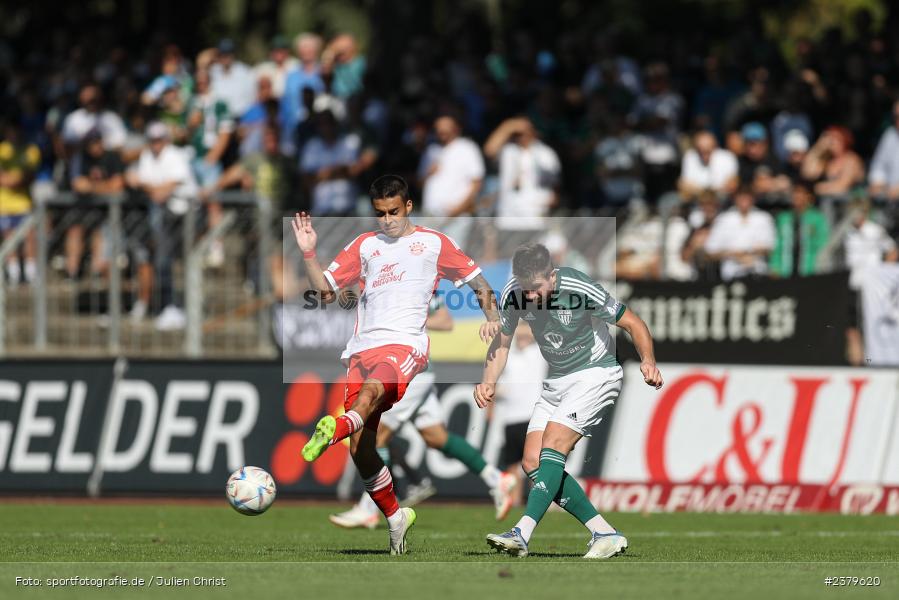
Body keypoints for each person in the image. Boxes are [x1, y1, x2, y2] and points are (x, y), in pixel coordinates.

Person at [292, 174, 502, 555]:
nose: (387, 220)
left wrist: (493, 317)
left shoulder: (433, 244)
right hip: (361, 350)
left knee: (371, 395)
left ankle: (334, 427)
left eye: (393, 211)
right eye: (379, 214)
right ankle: (394, 517)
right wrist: (309, 252)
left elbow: (479, 283)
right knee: (363, 450)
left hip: (406, 346)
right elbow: (325, 293)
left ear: (408, 206)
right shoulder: (364, 246)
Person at [477, 243, 663, 559]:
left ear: (551, 275)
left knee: (553, 446)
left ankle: (521, 533)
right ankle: (603, 532)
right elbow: (503, 341)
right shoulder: (515, 293)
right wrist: (488, 380)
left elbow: (633, 322)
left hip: (595, 374)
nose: (530, 296)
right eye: (526, 289)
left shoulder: (579, 286)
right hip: (557, 382)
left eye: (536, 288)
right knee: (533, 462)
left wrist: (648, 360)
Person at [328, 295, 517, 529]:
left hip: (409, 372)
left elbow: (446, 322)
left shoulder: (419, 284)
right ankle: (496, 478)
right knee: (436, 437)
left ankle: (368, 509)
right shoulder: (386, 280)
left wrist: (411, 320)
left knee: (377, 437)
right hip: (411, 371)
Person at [127, 122, 197, 330]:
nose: (156, 144)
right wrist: (147, 185)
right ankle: (171, 306)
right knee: (162, 260)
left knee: (178, 261)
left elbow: (158, 192)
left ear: (166, 139)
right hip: (166, 217)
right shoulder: (147, 157)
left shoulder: (175, 156)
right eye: (152, 140)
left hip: (187, 215)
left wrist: (143, 183)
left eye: (159, 139)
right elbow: (151, 188)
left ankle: (180, 306)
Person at [494, 320, 547, 504]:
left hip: (532, 416)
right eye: (521, 330)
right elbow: (497, 382)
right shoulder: (508, 355)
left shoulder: (539, 352)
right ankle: (515, 503)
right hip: (510, 417)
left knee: (535, 462)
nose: (524, 335)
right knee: (512, 464)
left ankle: (537, 503)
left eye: (528, 331)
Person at [483, 117, 560, 234]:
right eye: (517, 134)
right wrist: (508, 126)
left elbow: (553, 183)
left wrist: (550, 200)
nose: (520, 136)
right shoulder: (508, 150)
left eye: (524, 132)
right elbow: (489, 150)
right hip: (509, 213)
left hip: (534, 213)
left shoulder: (545, 153)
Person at [704, 186, 776, 280]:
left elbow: (771, 247)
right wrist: (733, 255)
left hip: (758, 271)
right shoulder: (723, 219)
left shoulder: (764, 218)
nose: (744, 201)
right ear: (735, 199)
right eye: (741, 198)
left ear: (752, 199)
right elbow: (710, 251)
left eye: (747, 198)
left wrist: (749, 253)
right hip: (730, 273)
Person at [420, 113, 485, 218]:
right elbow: (420, 183)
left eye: (446, 127)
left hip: (456, 215)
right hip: (430, 214)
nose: (442, 130)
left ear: (457, 128)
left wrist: (460, 208)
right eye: (438, 127)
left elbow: (477, 182)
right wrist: (428, 173)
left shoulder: (467, 148)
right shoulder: (431, 150)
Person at [0, 119, 40, 285]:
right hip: (4, 204)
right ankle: (13, 273)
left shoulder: (31, 151)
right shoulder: (2, 150)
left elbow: (25, 177)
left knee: (29, 237)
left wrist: (11, 179)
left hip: (24, 203)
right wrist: (12, 179)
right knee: (9, 238)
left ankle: (31, 273)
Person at [769, 182, 830, 277]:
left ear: (808, 197)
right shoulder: (784, 218)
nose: (797, 197)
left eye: (800, 194)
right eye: (795, 194)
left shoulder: (817, 218)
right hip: (786, 270)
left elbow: (823, 243)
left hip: (810, 269)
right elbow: (777, 244)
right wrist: (775, 266)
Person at [61, 83, 127, 153]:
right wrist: (87, 146)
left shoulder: (111, 117)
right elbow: (66, 145)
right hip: (81, 161)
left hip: (107, 161)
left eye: (93, 99)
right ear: (80, 98)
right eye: (87, 99)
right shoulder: (73, 118)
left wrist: (102, 145)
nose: (91, 102)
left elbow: (121, 142)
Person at [801, 126, 865, 198]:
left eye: (835, 139)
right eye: (830, 139)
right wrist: (818, 148)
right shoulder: (827, 159)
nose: (831, 142)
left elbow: (843, 186)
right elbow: (808, 174)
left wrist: (819, 188)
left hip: (849, 202)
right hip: (827, 201)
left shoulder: (852, 159)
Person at [677, 130, 738, 201]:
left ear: (715, 146)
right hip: (696, 201)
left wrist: (703, 192)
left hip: (721, 200)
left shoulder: (728, 157)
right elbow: (683, 185)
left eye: (707, 151)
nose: (704, 155)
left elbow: (732, 184)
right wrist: (707, 193)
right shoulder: (689, 156)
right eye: (700, 151)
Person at [210, 39, 257, 118]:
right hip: (220, 118)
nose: (225, 57)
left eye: (228, 54)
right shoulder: (213, 72)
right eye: (222, 54)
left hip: (241, 117)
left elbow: (252, 97)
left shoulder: (245, 72)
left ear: (233, 54)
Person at [867, 100, 899, 200]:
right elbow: (878, 165)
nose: (897, 120)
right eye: (896, 116)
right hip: (890, 199)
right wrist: (877, 183)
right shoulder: (890, 135)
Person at [253, 35, 298, 99]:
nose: (278, 53)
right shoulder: (262, 68)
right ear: (271, 52)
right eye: (275, 50)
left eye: (282, 50)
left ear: (287, 51)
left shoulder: (296, 66)